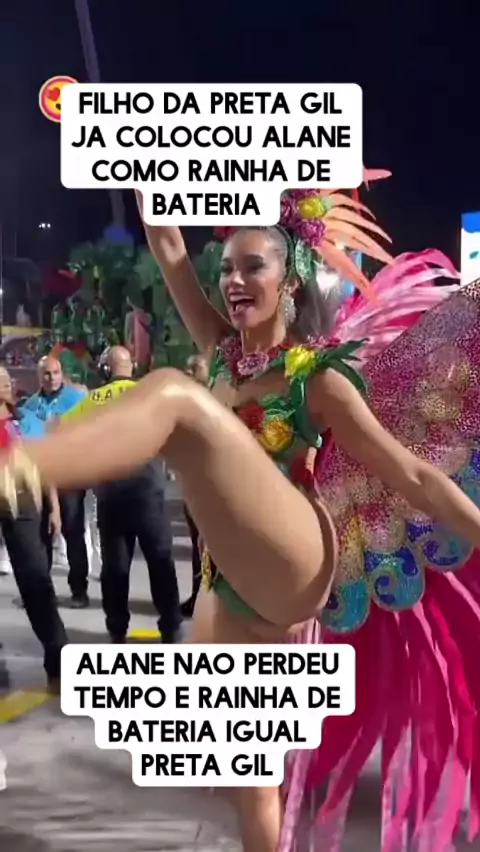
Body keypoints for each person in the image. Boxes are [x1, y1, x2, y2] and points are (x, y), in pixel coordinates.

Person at [0, 179, 479, 852]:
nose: (233, 280)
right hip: (224, 583)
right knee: (245, 778)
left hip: (295, 563)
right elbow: (168, 245)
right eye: (226, 268)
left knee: (174, 397)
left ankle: (19, 469)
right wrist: (144, 162)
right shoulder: (224, 353)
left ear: (291, 282)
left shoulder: (319, 378)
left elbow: (415, 475)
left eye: (253, 266)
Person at [61, 346, 182, 643]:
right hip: (148, 491)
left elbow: (66, 432)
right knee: (160, 561)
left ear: (105, 368)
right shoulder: (150, 395)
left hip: (111, 494)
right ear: (132, 367)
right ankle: (170, 627)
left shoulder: (93, 400)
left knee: (115, 568)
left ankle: (117, 629)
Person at [0, 366, 66, 691]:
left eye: (6, 380)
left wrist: (54, 507)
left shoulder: (25, 420)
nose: (6, 384)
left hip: (23, 501)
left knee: (36, 581)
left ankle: (59, 661)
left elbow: (45, 463)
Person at [23, 356, 90, 607]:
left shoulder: (77, 399)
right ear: (39, 376)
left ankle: (79, 590)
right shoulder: (31, 405)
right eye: (46, 373)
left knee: (73, 532)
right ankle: (42, 591)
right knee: (41, 535)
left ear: (62, 374)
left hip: (69, 476)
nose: (51, 378)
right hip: (41, 477)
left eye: (55, 372)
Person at [182, 354, 209, 617]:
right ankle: (197, 594)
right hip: (191, 484)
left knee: (211, 545)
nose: (189, 372)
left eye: (195, 367)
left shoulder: (216, 401)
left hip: (211, 487)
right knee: (196, 545)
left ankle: (207, 600)